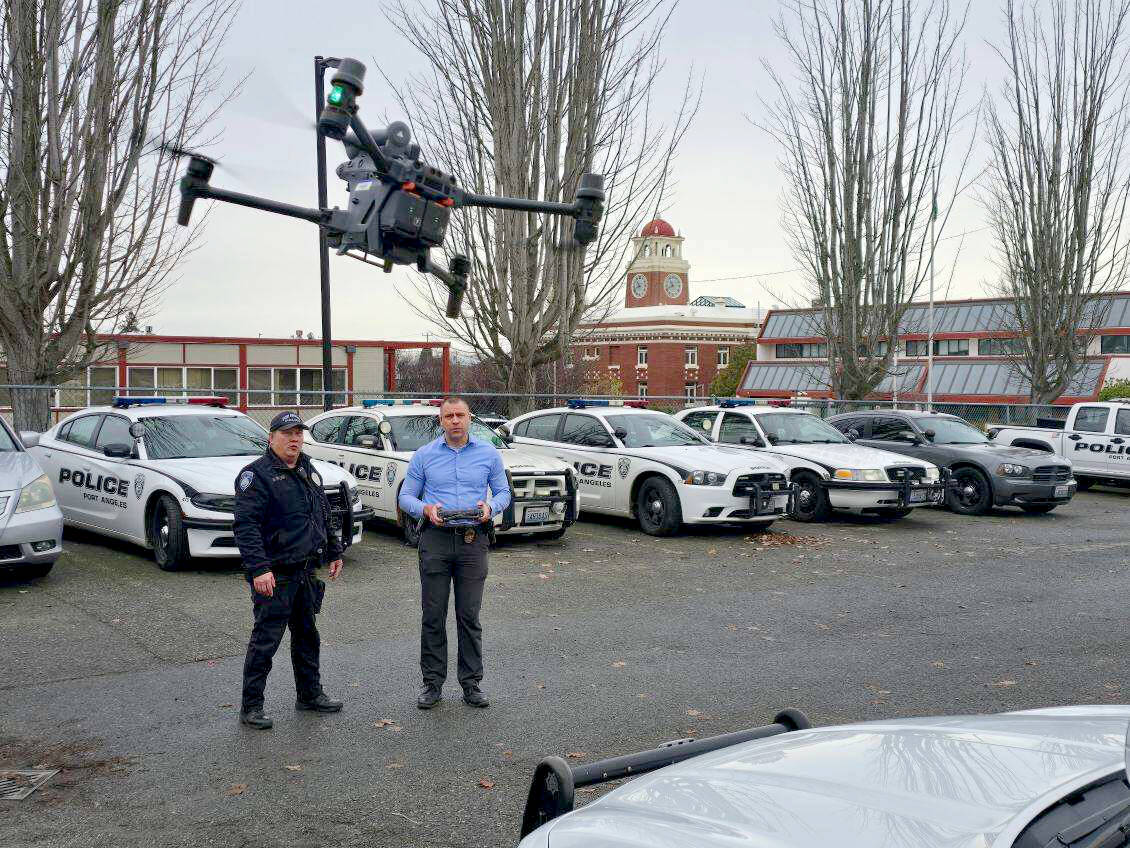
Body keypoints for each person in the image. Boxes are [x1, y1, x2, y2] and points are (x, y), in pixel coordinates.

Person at [233, 411, 345, 730]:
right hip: (275, 574)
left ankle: (309, 694)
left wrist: (334, 550)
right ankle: (251, 706)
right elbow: (246, 527)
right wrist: (259, 569)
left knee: (308, 636)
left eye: (298, 433)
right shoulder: (256, 475)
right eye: (287, 434)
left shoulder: (306, 467)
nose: (295, 439)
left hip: (305, 570)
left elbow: (322, 511)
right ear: (272, 438)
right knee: (266, 641)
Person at [399, 396, 511, 710]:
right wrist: (425, 508)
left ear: (469, 418)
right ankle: (432, 685)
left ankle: (471, 684)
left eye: (460, 415)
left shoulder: (489, 454)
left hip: (473, 541)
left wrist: (491, 507)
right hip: (435, 539)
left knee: (469, 616)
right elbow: (407, 496)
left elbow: (503, 492)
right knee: (433, 616)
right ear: (441, 421)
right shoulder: (424, 456)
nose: (455, 421)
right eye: (449, 416)